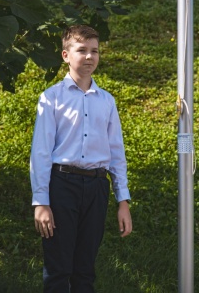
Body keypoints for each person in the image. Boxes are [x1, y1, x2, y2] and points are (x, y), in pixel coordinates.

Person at [30, 24, 133, 292]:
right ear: (66, 55)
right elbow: (41, 152)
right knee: (58, 269)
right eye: (82, 50)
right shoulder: (51, 98)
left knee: (85, 270)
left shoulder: (107, 101)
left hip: (97, 188)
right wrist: (41, 202)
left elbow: (116, 154)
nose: (89, 56)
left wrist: (122, 201)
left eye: (94, 51)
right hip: (62, 186)